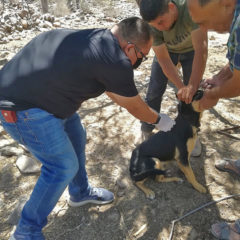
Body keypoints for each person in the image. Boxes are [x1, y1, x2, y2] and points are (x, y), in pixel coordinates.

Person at [0, 17, 175, 240]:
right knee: (62, 166)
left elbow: (114, 91)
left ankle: (80, 192)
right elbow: (135, 106)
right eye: (141, 57)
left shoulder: (96, 38)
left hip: (47, 98)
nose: (138, 63)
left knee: (76, 135)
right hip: (23, 110)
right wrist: (160, 120)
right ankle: (26, 231)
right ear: (130, 47)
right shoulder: (115, 59)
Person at [187, 0, 240, 239]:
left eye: (206, 21)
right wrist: (218, 78)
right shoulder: (234, 15)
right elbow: (235, 65)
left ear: (226, 3)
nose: (206, 29)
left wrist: (213, 95)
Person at [136, 0, 208, 156]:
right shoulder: (152, 24)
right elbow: (163, 59)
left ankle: (191, 134)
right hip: (168, 52)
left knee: (193, 96)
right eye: (155, 25)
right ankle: (147, 128)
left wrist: (192, 86)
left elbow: (201, 51)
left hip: (192, 51)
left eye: (161, 22)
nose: (160, 28)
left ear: (171, 7)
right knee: (154, 91)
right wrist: (181, 86)